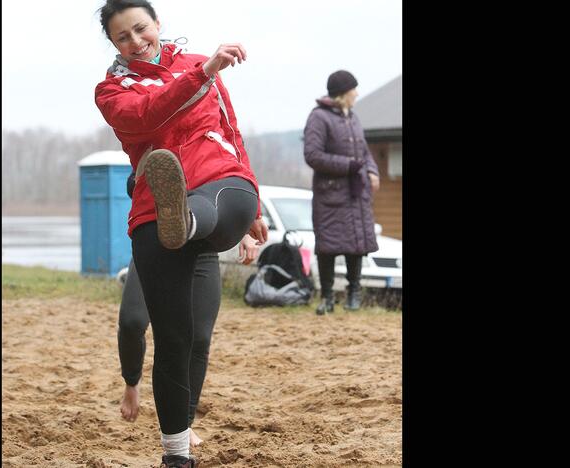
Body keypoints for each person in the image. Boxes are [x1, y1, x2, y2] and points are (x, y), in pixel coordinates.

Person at [95, 1, 268, 466]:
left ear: (157, 25)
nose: (135, 42)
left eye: (140, 29)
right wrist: (205, 71)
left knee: (200, 335)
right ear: (113, 45)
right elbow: (146, 117)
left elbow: (232, 131)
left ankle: (189, 220)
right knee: (176, 339)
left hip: (220, 181)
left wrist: (255, 209)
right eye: (122, 38)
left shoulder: (195, 66)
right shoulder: (112, 90)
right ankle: (176, 454)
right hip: (155, 208)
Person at [117, 174, 259, 448]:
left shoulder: (214, 140)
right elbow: (134, 183)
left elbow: (233, 183)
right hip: (158, 247)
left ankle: (184, 422)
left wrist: (244, 229)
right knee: (132, 322)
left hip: (204, 250)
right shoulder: (159, 137)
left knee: (200, 338)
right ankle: (131, 382)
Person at [303, 70, 380, 314]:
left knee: (356, 245)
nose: (357, 93)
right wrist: (348, 166)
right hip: (331, 195)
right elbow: (313, 155)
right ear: (343, 93)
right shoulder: (319, 118)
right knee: (328, 246)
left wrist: (372, 171)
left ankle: (353, 294)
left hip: (356, 193)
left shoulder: (353, 118)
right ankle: (326, 297)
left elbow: (365, 153)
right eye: (354, 89)